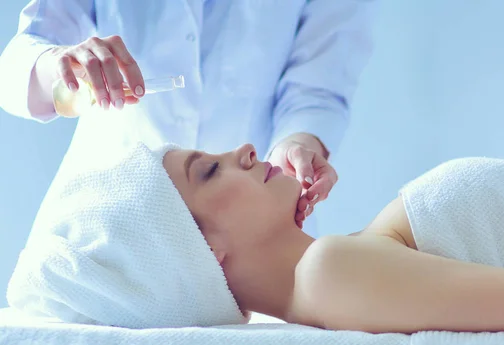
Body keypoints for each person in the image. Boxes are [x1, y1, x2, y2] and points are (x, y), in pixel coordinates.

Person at [7, 141, 504, 333]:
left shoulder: (344, 263)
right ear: (200, 253)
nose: (240, 148)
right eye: (208, 171)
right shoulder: (331, 273)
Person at [0, 0, 376, 233]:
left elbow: (318, 87)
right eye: (208, 169)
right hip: (110, 221)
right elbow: (16, 67)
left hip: (249, 239)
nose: (245, 152)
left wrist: (298, 143)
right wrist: (59, 66)